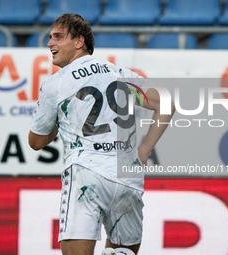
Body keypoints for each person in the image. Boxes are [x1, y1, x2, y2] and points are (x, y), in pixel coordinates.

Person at [28, 13, 175, 255]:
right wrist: (144, 149)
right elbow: (167, 102)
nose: (49, 43)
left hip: (87, 174)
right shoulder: (119, 72)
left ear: (79, 42)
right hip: (127, 178)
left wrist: (57, 119)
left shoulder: (57, 83)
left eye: (58, 37)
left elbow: (35, 142)